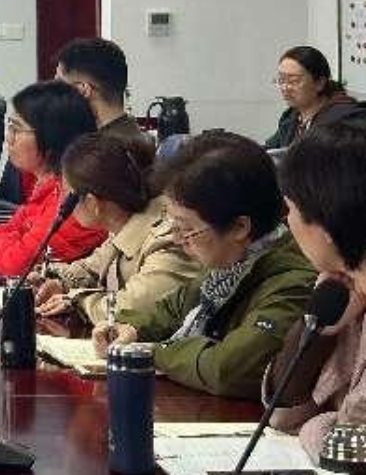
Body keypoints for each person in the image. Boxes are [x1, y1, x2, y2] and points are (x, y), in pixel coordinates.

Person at [92, 132, 316, 399]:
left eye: (186, 228)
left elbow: (228, 370)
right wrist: (130, 329)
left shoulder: (293, 283)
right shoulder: (229, 265)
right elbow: (170, 309)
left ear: (239, 227)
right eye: (173, 225)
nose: (177, 239)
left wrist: (152, 352)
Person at [269, 120, 366, 461]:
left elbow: (350, 451)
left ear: (325, 222)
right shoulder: (348, 289)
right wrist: (318, 329)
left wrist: (316, 424)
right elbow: (282, 414)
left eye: (290, 210)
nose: (287, 222)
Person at [0, 81, 104, 276]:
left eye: (16, 129)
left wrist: (7, 240)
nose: (9, 139)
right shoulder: (46, 186)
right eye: (10, 126)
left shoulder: (74, 200)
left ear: (51, 137)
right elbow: (14, 228)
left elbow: (16, 264)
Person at [33, 133, 201, 323]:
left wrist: (77, 301)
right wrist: (57, 280)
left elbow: (133, 309)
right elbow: (94, 266)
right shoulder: (125, 223)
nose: (62, 202)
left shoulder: (167, 240)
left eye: (66, 194)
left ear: (93, 203)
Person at [54, 37, 151, 148]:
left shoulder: (100, 152)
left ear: (83, 90)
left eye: (59, 86)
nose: (55, 95)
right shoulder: (138, 137)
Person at [266, 46, 364, 149]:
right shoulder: (290, 118)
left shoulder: (345, 120)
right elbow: (270, 150)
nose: (285, 88)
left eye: (293, 81)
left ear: (319, 83)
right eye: (281, 80)